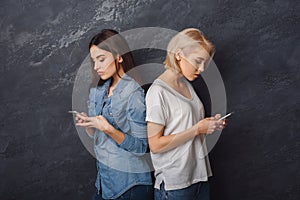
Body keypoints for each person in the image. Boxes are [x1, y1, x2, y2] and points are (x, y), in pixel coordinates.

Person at [145, 28, 227, 200]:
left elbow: (185, 124)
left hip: (199, 178)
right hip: (176, 186)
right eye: (198, 61)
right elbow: (155, 144)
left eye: (205, 63)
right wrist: (197, 129)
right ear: (178, 54)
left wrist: (209, 124)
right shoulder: (157, 92)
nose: (202, 68)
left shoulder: (187, 85)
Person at [75, 29, 153, 200]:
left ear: (118, 56)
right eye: (94, 61)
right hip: (105, 183)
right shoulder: (98, 90)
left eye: (101, 59)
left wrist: (108, 128)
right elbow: (96, 137)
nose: (96, 67)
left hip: (131, 185)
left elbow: (142, 147)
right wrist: (89, 124)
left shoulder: (133, 93)